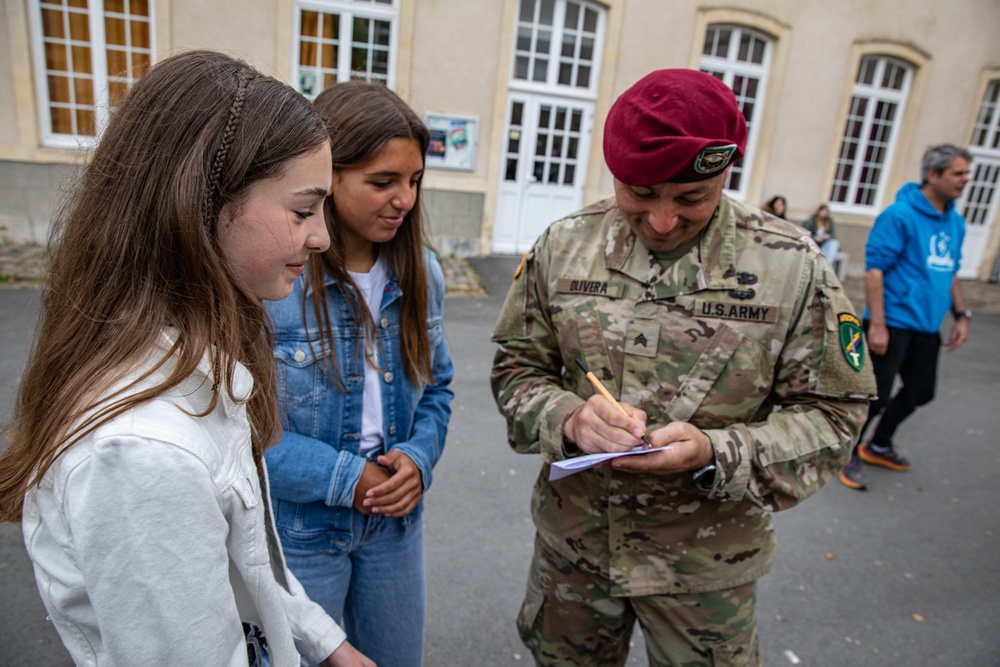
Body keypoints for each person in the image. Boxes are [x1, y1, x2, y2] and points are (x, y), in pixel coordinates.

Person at [0, 50, 375, 667]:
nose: (323, 237)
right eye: (303, 210)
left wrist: (324, 641)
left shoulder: (196, 364)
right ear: (201, 206)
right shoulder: (144, 454)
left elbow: (247, 565)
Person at [490, 68, 875, 666]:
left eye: (692, 197)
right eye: (640, 193)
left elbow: (835, 416)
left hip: (706, 570)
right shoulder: (563, 247)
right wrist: (569, 418)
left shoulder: (789, 267)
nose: (663, 220)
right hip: (575, 553)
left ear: (726, 175)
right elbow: (516, 369)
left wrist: (715, 453)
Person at [264, 81, 455, 667]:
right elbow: (246, 434)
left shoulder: (421, 272)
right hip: (305, 530)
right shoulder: (276, 283)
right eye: (382, 182)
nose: (404, 199)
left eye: (414, 180)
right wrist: (349, 477)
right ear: (328, 178)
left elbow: (438, 388)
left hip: (395, 526)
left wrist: (418, 461)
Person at [838, 144, 972, 491]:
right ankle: (847, 453)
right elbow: (874, 272)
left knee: (920, 391)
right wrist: (877, 325)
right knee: (874, 396)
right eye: (958, 173)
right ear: (932, 174)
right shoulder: (899, 215)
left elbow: (951, 271)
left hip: (926, 327)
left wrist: (961, 315)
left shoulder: (955, 221)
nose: (965, 180)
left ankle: (879, 443)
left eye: (966, 173)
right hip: (892, 323)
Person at [804, 203, 841, 267]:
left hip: (824, 244)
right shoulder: (812, 220)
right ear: (819, 211)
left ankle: (827, 265)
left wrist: (826, 236)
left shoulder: (829, 221)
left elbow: (833, 235)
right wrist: (815, 238)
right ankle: (825, 266)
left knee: (834, 243)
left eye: (826, 211)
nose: (824, 213)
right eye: (822, 211)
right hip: (814, 243)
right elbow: (806, 233)